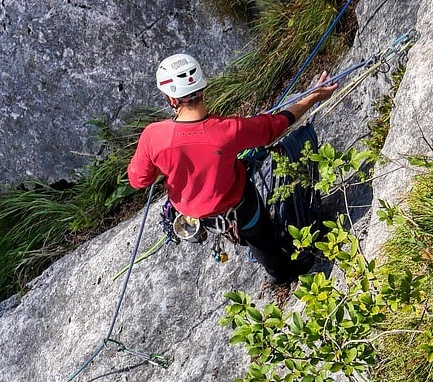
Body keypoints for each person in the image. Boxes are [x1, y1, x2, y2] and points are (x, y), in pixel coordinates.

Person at [126, 53, 339, 284]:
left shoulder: (153, 137)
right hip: (240, 207)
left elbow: (139, 180)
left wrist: (163, 161)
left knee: (253, 230)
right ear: (202, 87)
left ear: (171, 98)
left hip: (192, 212)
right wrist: (311, 98)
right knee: (262, 238)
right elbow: (275, 126)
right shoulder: (229, 130)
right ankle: (282, 273)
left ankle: (270, 261)